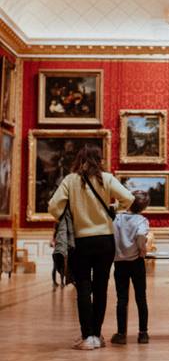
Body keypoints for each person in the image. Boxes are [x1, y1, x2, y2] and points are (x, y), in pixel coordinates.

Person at [48, 144, 135, 350]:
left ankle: (87, 337)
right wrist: (115, 208)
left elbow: (53, 206)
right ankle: (97, 334)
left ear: (80, 159)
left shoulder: (71, 180)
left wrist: (68, 212)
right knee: (101, 288)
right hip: (105, 240)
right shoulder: (106, 178)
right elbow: (129, 198)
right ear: (100, 159)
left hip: (81, 241)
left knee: (84, 289)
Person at [111, 190, 151, 345]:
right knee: (141, 298)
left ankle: (121, 333)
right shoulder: (141, 221)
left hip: (119, 262)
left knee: (122, 299)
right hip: (136, 262)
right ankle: (143, 333)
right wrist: (143, 252)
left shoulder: (117, 218)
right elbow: (141, 240)